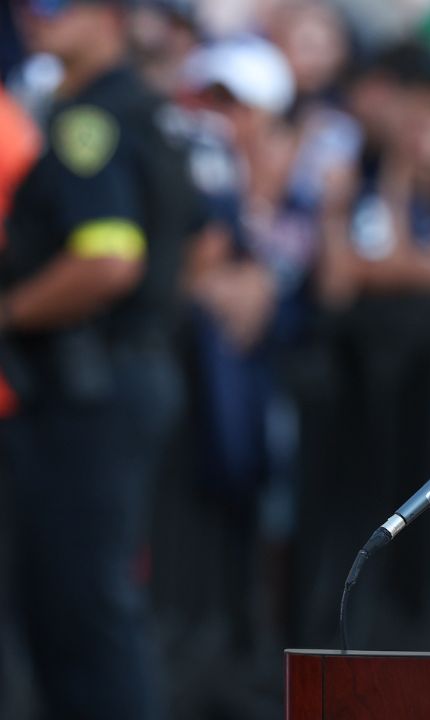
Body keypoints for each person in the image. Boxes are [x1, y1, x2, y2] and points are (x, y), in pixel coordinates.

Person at [0, 0, 201, 717]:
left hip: (91, 387)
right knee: (72, 605)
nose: (33, 15)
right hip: (121, 375)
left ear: (109, 15)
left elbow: (109, 259)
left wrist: (9, 311)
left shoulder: (91, 119)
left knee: (83, 608)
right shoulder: (143, 110)